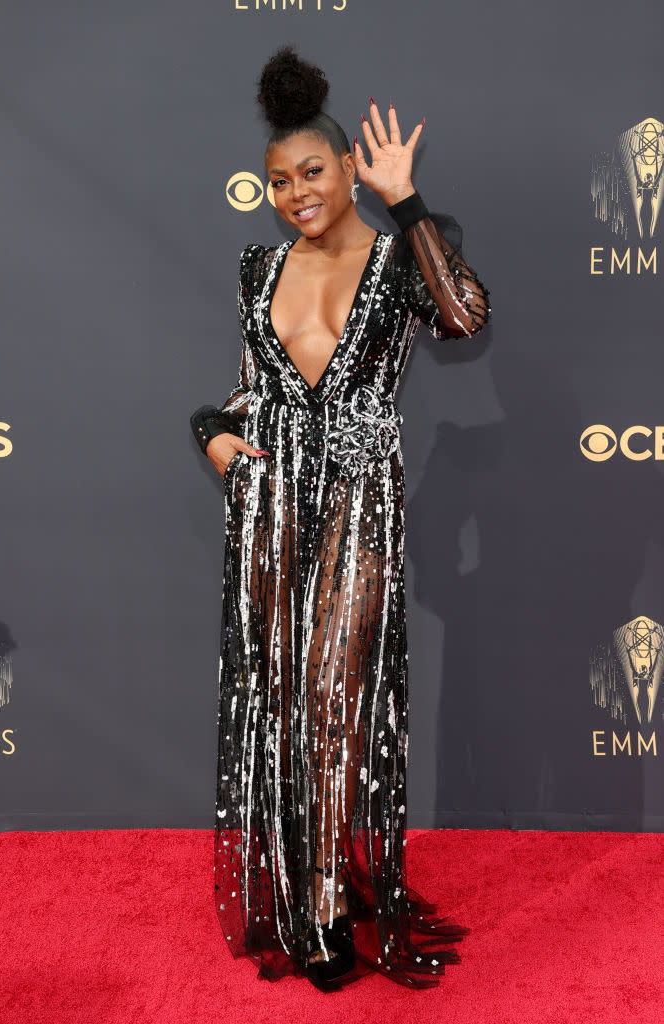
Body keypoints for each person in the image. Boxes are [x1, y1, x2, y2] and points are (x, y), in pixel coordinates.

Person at [190, 44, 491, 992]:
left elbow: (465, 318)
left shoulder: (406, 252)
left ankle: (325, 899)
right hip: (272, 504)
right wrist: (214, 434)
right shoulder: (255, 268)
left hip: (361, 497)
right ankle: (289, 885)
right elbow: (248, 390)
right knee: (277, 703)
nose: (295, 193)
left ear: (347, 168)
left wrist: (406, 204)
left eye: (311, 172)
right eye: (279, 180)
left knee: (333, 699)